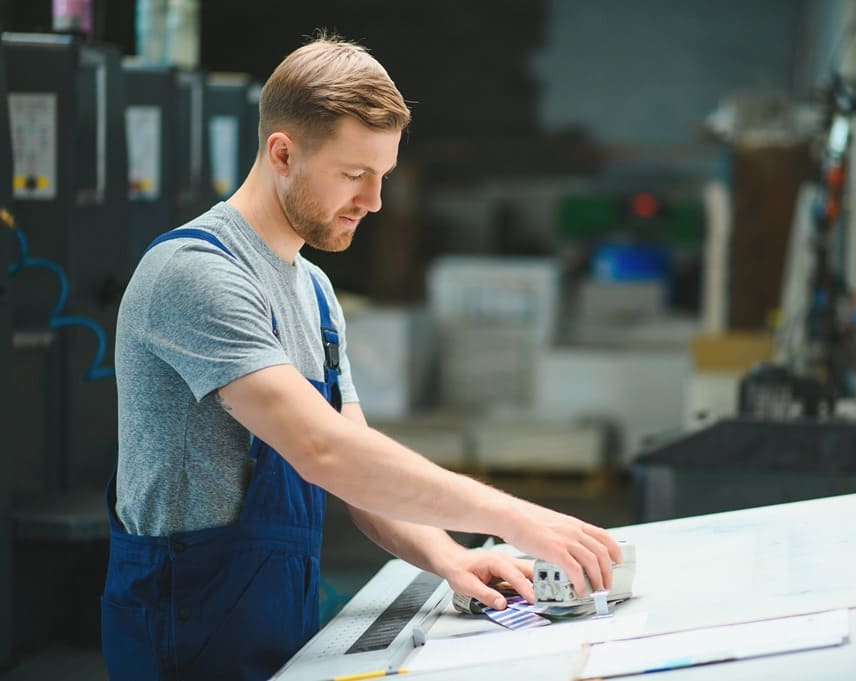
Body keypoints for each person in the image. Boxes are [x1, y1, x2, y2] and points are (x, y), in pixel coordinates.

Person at [101, 34, 623, 680]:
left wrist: (448, 554)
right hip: (183, 640)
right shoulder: (195, 275)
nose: (375, 201)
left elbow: (354, 469)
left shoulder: (315, 293)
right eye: (355, 175)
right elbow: (323, 451)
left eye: (383, 177)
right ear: (283, 153)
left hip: (276, 630)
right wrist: (519, 516)